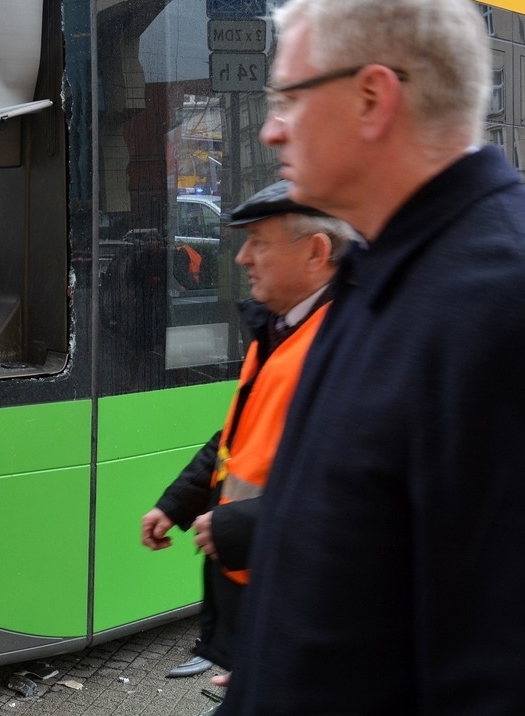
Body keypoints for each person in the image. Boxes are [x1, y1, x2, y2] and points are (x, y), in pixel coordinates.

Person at [224, 0, 525, 714]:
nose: (269, 126)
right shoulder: (391, 269)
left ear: (372, 97)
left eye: (286, 96)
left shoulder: (522, 309)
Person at [140, 180, 355, 686]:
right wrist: (177, 503)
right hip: (265, 596)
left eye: (258, 241)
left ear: (316, 253)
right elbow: (237, 441)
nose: (241, 258)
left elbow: (352, 496)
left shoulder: (342, 345)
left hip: (296, 606)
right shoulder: (281, 329)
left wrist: (241, 528)